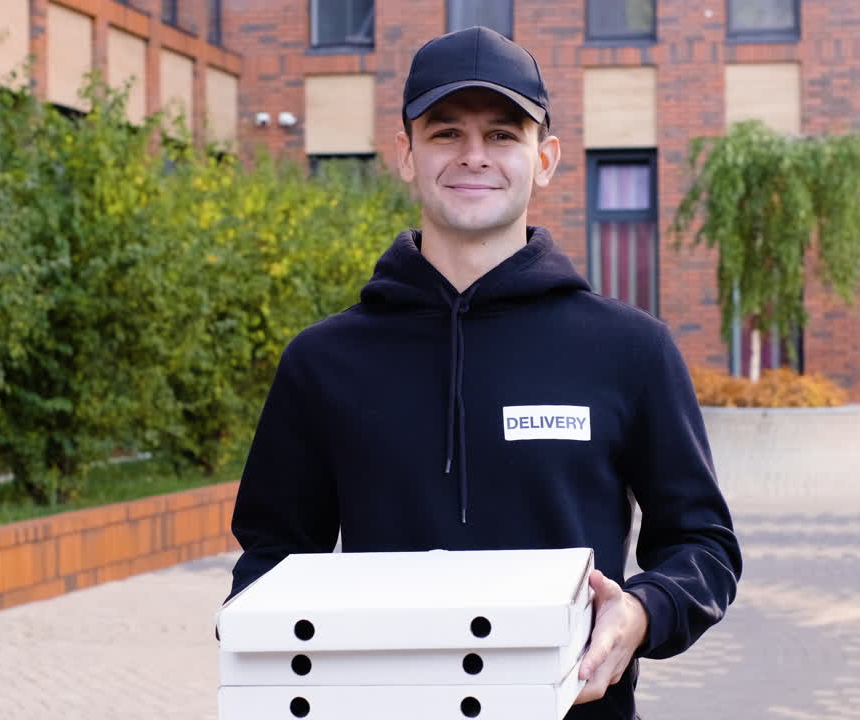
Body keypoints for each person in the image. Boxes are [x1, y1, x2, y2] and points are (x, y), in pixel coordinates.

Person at [225, 26, 742, 720]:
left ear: (546, 158)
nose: (474, 156)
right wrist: (255, 642)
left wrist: (644, 612)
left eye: (503, 134)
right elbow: (273, 557)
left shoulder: (630, 350)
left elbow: (702, 545)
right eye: (445, 134)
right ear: (404, 153)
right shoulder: (322, 362)